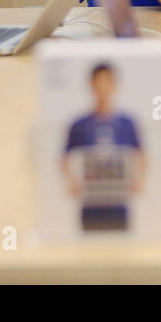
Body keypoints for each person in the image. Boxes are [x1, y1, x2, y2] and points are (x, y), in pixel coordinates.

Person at [62, 63, 145, 232]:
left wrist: (138, 178)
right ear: (91, 85)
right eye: (99, 82)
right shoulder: (80, 125)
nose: (103, 87)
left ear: (114, 85)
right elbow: (64, 155)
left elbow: (140, 152)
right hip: (91, 200)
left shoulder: (126, 123)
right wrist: (71, 181)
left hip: (119, 199)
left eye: (107, 82)